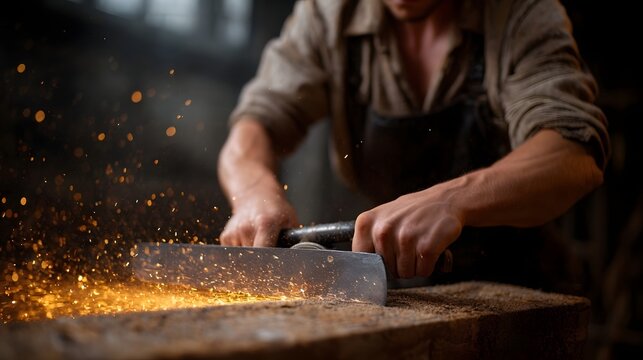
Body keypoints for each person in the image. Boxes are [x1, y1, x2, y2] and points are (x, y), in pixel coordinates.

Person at [217, 0, 609, 288]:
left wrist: (451, 200)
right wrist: (254, 193)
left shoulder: (520, 12)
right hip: (390, 283)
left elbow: (573, 152)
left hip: (518, 285)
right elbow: (256, 124)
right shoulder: (329, 14)